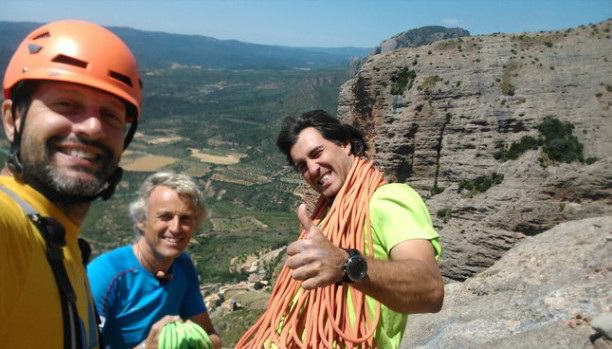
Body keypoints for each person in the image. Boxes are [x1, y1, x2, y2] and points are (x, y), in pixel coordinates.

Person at [236, 110, 444, 349]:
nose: (312, 169)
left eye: (317, 153)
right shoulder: (324, 217)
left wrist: (346, 265)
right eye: (302, 166)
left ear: (345, 144)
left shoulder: (388, 200)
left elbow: (430, 289)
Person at [0, 20, 142, 349]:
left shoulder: (64, 247)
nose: (90, 127)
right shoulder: (3, 225)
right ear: (11, 119)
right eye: (66, 105)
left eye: (111, 115)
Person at [87, 172, 222, 349]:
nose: (175, 228)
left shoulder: (183, 267)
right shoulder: (105, 274)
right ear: (142, 221)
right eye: (165, 216)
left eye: (185, 219)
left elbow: (211, 336)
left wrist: (190, 340)